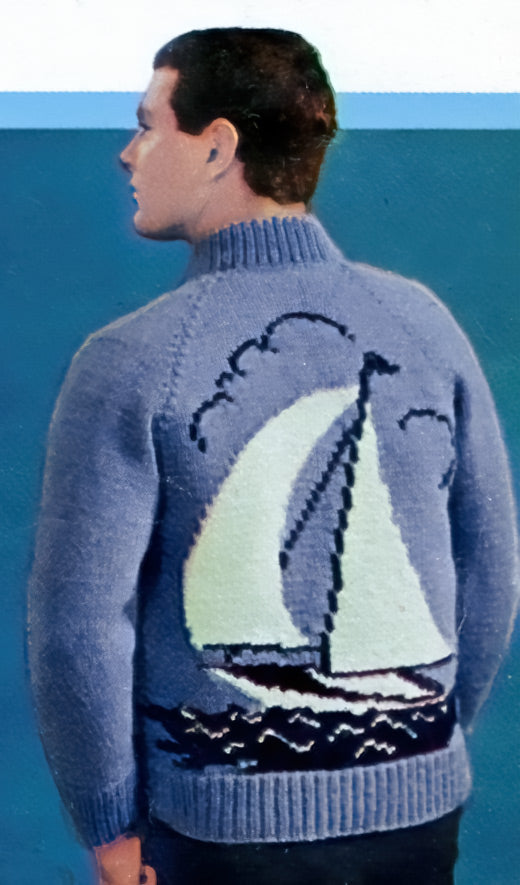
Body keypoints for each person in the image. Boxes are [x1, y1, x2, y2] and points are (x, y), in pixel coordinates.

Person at [28, 28, 518, 885]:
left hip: (218, 840)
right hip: (420, 815)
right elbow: (494, 570)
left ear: (218, 145)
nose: (127, 152)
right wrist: (425, 737)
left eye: (148, 125)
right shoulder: (424, 323)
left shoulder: (129, 360)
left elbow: (78, 630)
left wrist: (108, 826)